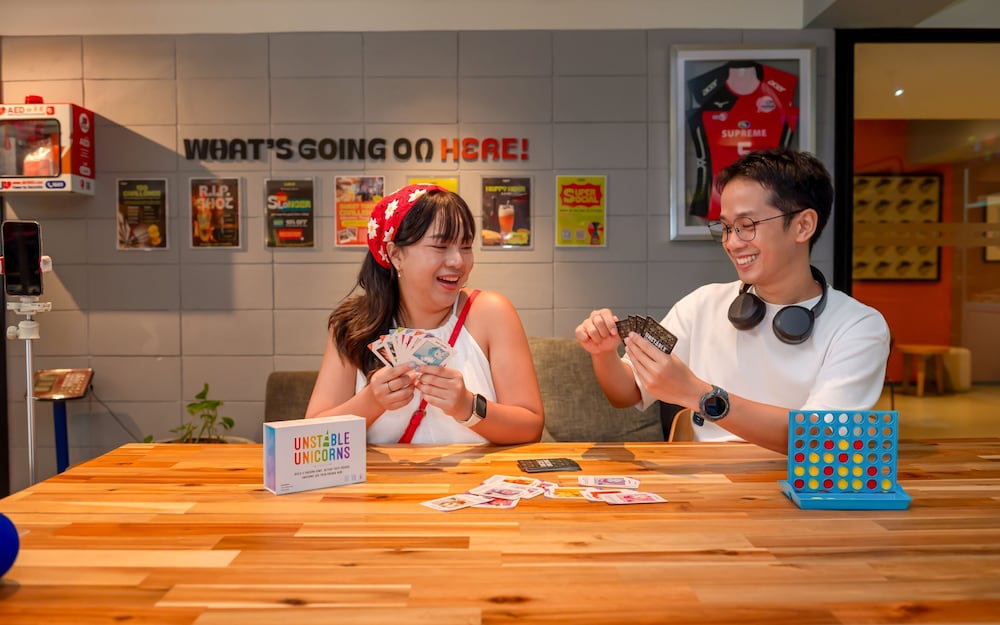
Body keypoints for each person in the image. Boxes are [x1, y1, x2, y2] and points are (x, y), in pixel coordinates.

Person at [575, 148, 890, 454]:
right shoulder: (703, 305)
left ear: (803, 225)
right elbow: (626, 392)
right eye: (726, 228)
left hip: (800, 488)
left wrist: (699, 395)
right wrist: (604, 354)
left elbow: (820, 441)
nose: (732, 242)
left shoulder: (859, 326)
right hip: (707, 487)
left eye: (747, 226)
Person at [305, 183, 544, 444]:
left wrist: (468, 406)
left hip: (477, 483)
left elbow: (531, 426)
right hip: (381, 485)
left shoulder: (491, 312)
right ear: (396, 255)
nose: (458, 262)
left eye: (465, 246)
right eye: (441, 247)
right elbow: (311, 437)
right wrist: (371, 401)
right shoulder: (352, 325)